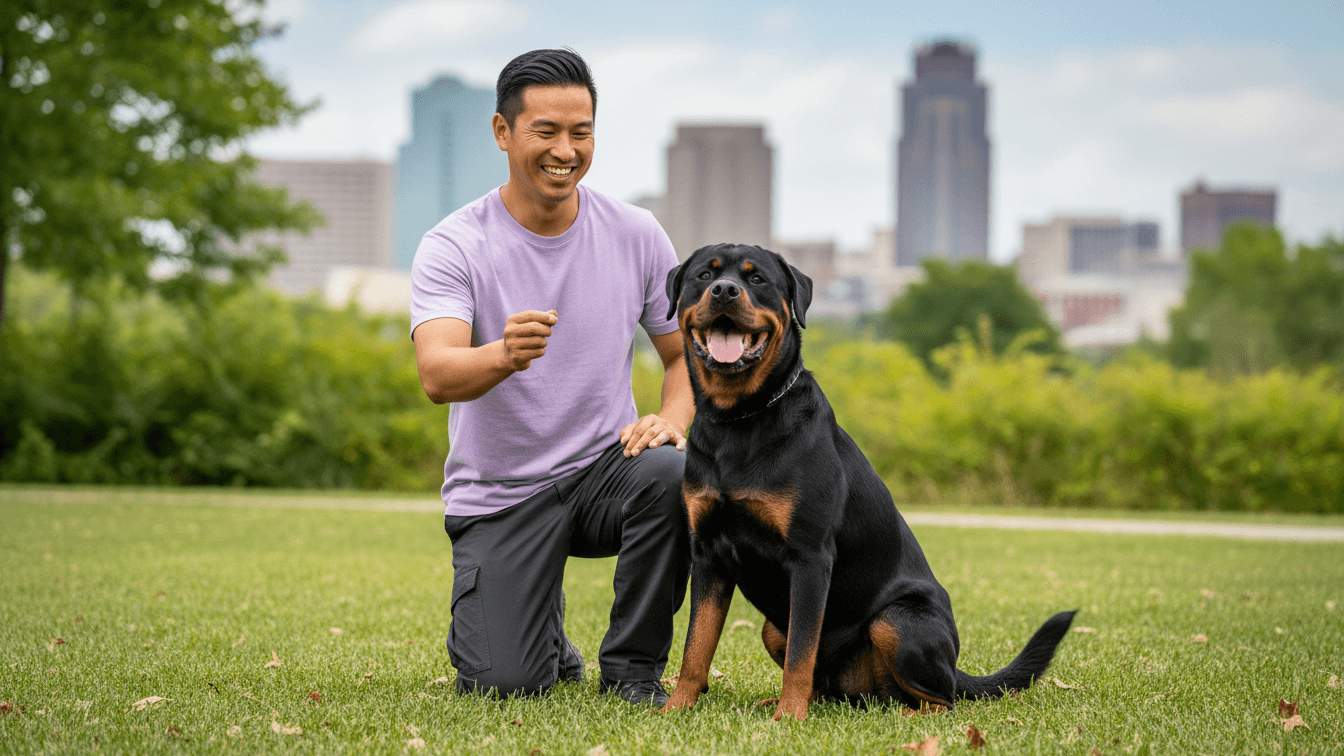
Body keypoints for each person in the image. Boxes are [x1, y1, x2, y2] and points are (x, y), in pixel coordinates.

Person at [409, 48, 693, 707]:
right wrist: (501, 355)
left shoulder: (637, 234)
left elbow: (683, 357)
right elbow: (437, 373)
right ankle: (540, 635)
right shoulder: (455, 245)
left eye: (581, 131)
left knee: (672, 470)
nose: (566, 150)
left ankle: (632, 671)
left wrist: (672, 420)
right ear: (503, 133)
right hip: (502, 493)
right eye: (546, 131)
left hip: (604, 472)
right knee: (507, 683)